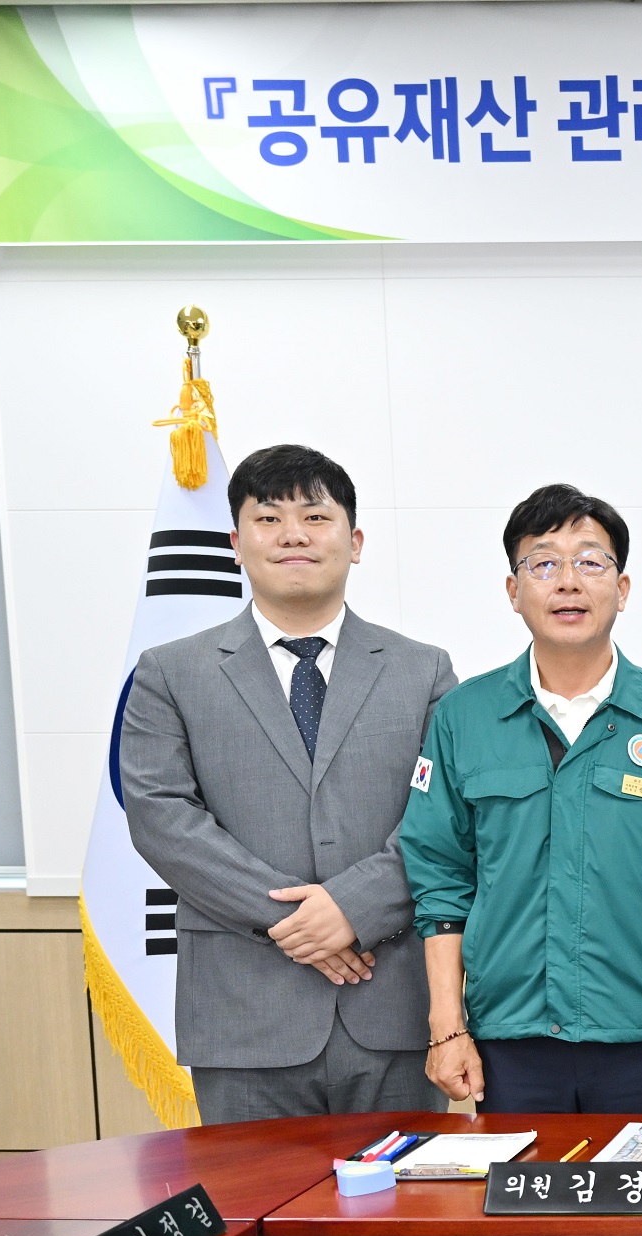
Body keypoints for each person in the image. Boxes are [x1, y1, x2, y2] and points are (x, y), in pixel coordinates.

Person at [120, 444, 456, 1122]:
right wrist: (296, 921)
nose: (293, 534)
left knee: (402, 1192)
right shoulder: (170, 673)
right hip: (244, 1014)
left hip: (393, 1004)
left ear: (354, 543)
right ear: (235, 544)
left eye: (315, 517)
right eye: (269, 518)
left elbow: (446, 817)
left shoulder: (423, 670)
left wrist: (354, 909)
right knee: (253, 1195)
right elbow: (161, 817)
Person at [400, 485, 642, 1114]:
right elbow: (440, 880)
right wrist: (447, 1027)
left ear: (622, 589)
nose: (568, 581)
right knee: (523, 1183)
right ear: (513, 589)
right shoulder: (464, 717)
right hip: (509, 1041)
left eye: (591, 562)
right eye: (543, 563)